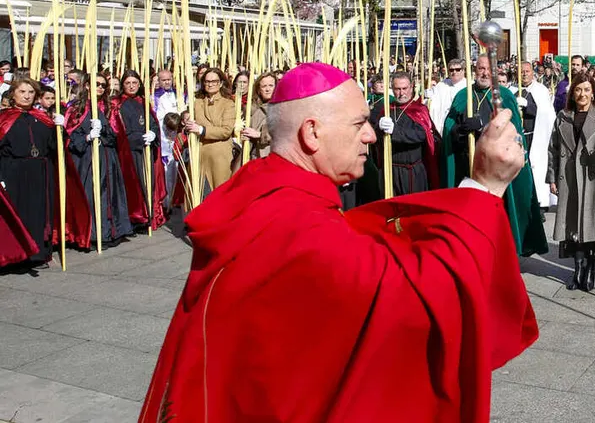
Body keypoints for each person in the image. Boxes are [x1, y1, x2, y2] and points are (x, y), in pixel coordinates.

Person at [139, 62, 538, 423]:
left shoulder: (258, 189)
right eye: (358, 123)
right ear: (312, 132)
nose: (369, 134)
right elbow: (420, 302)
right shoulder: (299, 228)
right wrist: (485, 187)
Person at [442, 56, 548, 257]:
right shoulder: (462, 96)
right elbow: (448, 129)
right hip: (469, 168)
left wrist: (483, 125)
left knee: (497, 215)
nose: (484, 73)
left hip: (497, 171)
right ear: (474, 70)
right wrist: (461, 129)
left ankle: (499, 253)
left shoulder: (504, 96)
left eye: (488, 69)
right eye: (480, 68)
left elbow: (513, 131)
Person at [0, 78, 91, 265]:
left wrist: (59, 129)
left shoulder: (43, 118)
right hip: (14, 171)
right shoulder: (3, 118)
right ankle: (18, 255)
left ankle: (38, 253)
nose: (26, 96)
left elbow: (56, 147)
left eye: (31, 92)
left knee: (40, 212)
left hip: (42, 171)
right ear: (13, 94)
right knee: (18, 212)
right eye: (22, 92)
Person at [548, 74, 595, 292]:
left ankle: (589, 266)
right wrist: (552, 178)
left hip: (593, 176)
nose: (582, 94)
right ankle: (577, 266)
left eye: (587, 90)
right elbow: (553, 148)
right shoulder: (563, 116)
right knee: (572, 225)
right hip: (570, 177)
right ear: (573, 93)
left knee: (591, 224)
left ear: (593, 92)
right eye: (578, 90)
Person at [65, 71, 137, 244]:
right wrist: (87, 137)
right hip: (86, 159)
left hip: (106, 157)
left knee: (108, 193)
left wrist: (103, 130)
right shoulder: (76, 108)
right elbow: (70, 136)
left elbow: (116, 135)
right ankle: (90, 233)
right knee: (90, 193)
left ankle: (108, 232)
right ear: (87, 85)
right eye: (96, 84)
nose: (100, 88)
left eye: (103, 85)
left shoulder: (109, 108)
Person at [372, 71, 440, 197]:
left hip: (411, 172)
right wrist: (378, 129)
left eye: (404, 88)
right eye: (397, 89)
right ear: (392, 89)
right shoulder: (387, 109)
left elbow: (420, 134)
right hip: (390, 169)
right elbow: (375, 139)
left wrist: (395, 131)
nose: (401, 93)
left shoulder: (419, 110)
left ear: (411, 87)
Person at [115, 70, 167, 230]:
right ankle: (134, 218)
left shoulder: (143, 102)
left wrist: (152, 132)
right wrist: (138, 138)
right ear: (123, 85)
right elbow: (119, 130)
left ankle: (148, 215)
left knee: (147, 182)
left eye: (134, 83)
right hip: (128, 152)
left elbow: (153, 122)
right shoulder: (118, 104)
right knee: (132, 185)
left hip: (145, 150)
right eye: (128, 83)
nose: (131, 86)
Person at [185, 67, 237, 191]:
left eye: (214, 81)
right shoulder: (196, 102)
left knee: (219, 194)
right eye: (207, 81)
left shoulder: (228, 103)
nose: (210, 84)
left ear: (220, 83)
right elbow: (191, 125)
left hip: (219, 157)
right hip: (200, 155)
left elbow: (226, 131)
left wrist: (202, 130)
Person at [517, 62, 556, 210]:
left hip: (535, 136)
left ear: (533, 73)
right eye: (521, 72)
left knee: (536, 168)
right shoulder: (514, 89)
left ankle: (539, 201)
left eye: (527, 71)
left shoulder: (540, 90)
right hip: (519, 136)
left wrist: (529, 105)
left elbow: (546, 114)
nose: (524, 74)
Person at [241, 72, 276, 159]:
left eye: (271, 85)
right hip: (255, 155)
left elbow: (284, 133)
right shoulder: (250, 109)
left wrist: (261, 134)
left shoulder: (282, 107)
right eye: (264, 86)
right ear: (259, 90)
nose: (267, 89)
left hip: (273, 154)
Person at [429, 58, 467, 134]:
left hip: (459, 126)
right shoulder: (442, 85)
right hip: (441, 125)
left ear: (463, 71)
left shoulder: (468, 86)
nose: (454, 72)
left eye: (458, 69)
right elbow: (431, 99)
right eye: (451, 70)